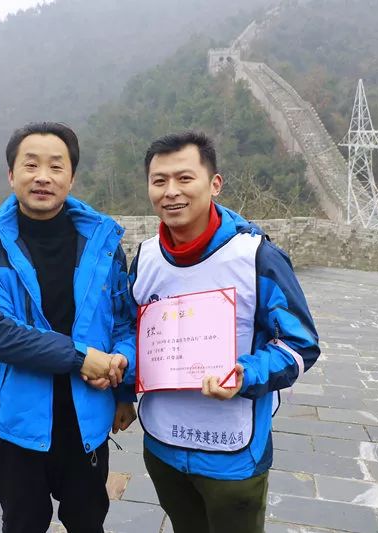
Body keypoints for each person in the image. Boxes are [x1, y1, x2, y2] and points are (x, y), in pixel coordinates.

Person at [129, 131, 320, 533]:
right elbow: (131, 333)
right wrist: (121, 375)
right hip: (163, 444)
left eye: (185, 178)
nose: (171, 191)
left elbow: (300, 345)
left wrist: (245, 374)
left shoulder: (255, 257)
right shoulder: (145, 258)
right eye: (159, 180)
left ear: (214, 184)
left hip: (231, 455)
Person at [0, 122, 138, 533]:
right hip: (20, 423)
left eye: (56, 166)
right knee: (23, 522)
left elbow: (125, 321)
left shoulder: (103, 245)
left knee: (88, 521)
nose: (43, 176)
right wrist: (81, 358)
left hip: (88, 419)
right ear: (12, 175)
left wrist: (122, 380)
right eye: (31, 165)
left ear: (71, 178)